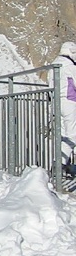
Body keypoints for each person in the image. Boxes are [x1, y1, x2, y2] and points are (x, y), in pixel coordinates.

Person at [54, 41, 76, 176]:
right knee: (72, 135)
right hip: (69, 102)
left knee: (62, 135)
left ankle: (60, 162)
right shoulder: (70, 66)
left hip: (57, 104)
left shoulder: (54, 64)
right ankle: (60, 165)